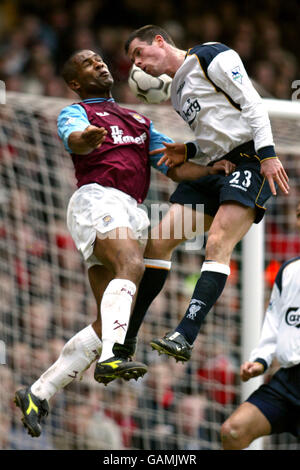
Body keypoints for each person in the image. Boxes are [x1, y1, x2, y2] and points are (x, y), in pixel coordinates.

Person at [14, 49, 231, 438]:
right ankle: (116, 357)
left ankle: (38, 392)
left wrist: (212, 167)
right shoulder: (78, 112)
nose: (98, 63)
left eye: (99, 59)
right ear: (76, 82)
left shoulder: (140, 121)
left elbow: (173, 165)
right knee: (133, 265)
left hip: (131, 208)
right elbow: (74, 141)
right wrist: (86, 138)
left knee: (109, 323)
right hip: (97, 198)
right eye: (86, 62)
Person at [124, 24, 289, 363]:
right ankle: (127, 337)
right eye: (132, 60)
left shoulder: (210, 54)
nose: (137, 64)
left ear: (159, 41)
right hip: (218, 165)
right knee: (158, 241)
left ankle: (185, 334)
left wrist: (268, 154)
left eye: (138, 53)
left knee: (217, 243)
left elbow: (252, 103)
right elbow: (216, 137)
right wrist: (191, 150)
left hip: (251, 158)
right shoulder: (176, 94)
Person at [221, 202, 300, 449]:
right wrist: (261, 359)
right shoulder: (289, 271)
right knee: (233, 431)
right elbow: (275, 320)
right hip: (287, 380)